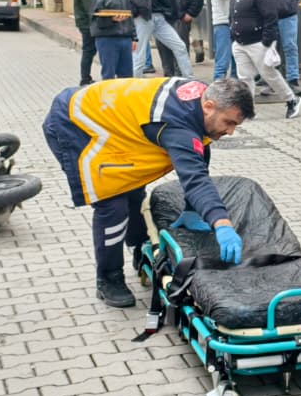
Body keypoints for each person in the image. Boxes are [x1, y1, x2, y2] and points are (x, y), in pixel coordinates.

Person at [43, 77, 254, 308]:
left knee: (133, 191)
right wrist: (221, 223)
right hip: (74, 124)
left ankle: (139, 248)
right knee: (112, 203)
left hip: (114, 121)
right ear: (209, 107)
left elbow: (199, 153)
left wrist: (193, 208)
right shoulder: (176, 124)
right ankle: (109, 277)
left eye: (235, 125)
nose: (231, 131)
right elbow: (195, 179)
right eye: (228, 122)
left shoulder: (202, 98)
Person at [228, 0, 301, 120]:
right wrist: (233, 35)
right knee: (244, 78)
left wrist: (267, 42)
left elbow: (270, 18)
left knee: (269, 74)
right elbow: (232, 16)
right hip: (239, 43)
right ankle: (248, 110)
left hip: (258, 42)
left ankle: (292, 100)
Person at [89, 0, 136, 80]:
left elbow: (130, 17)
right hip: (107, 39)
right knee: (109, 75)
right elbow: (95, 21)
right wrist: (112, 20)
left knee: (127, 76)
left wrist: (133, 37)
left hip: (125, 38)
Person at [71, 0, 100, 84]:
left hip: (89, 21)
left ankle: (86, 77)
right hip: (87, 22)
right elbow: (89, 5)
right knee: (89, 49)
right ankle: (85, 79)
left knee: (91, 49)